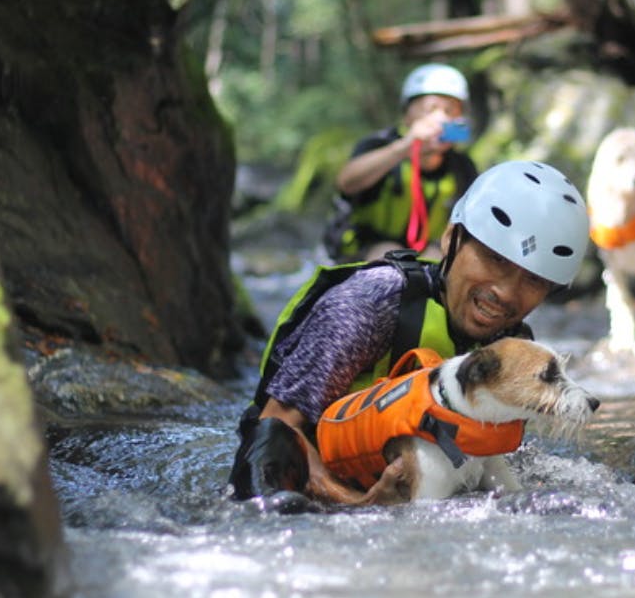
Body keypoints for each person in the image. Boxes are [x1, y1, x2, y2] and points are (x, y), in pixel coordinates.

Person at [230, 160, 591, 506]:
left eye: (534, 280)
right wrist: (360, 505)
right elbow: (277, 426)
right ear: (452, 239)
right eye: (494, 259)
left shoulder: (511, 351)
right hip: (314, 485)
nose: (506, 292)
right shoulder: (372, 301)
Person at [326, 63, 479, 263]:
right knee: (388, 256)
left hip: (429, 249)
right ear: (407, 115)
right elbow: (346, 183)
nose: (441, 118)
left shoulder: (462, 167)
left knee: (437, 260)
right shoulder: (378, 145)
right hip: (367, 249)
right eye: (430, 109)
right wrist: (406, 146)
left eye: (450, 111)